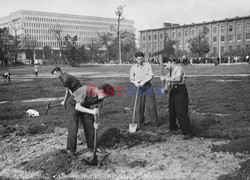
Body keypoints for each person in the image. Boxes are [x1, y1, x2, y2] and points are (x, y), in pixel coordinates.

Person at [51, 67, 115, 155]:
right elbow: (78, 107)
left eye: (106, 97)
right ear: (100, 90)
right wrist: (92, 112)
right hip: (73, 105)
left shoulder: (101, 97)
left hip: (85, 106)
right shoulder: (86, 90)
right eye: (103, 96)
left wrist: (96, 122)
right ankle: (70, 150)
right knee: (73, 127)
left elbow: (97, 110)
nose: (103, 98)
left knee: (90, 126)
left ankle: (93, 147)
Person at [160, 58, 195, 140]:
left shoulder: (179, 68)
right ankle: (173, 128)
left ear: (169, 62)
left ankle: (188, 132)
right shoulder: (169, 73)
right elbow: (168, 84)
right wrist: (165, 89)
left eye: (165, 65)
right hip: (173, 91)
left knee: (181, 111)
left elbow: (177, 79)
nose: (165, 67)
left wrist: (165, 78)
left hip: (180, 90)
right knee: (172, 110)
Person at [130, 52, 159, 129]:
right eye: (138, 59)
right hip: (138, 87)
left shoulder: (148, 65)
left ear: (143, 58)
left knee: (151, 105)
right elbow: (131, 79)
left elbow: (151, 76)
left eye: (141, 59)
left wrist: (144, 82)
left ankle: (155, 123)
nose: (140, 60)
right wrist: (136, 83)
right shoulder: (133, 67)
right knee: (139, 106)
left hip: (147, 86)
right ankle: (140, 123)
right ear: (135, 59)